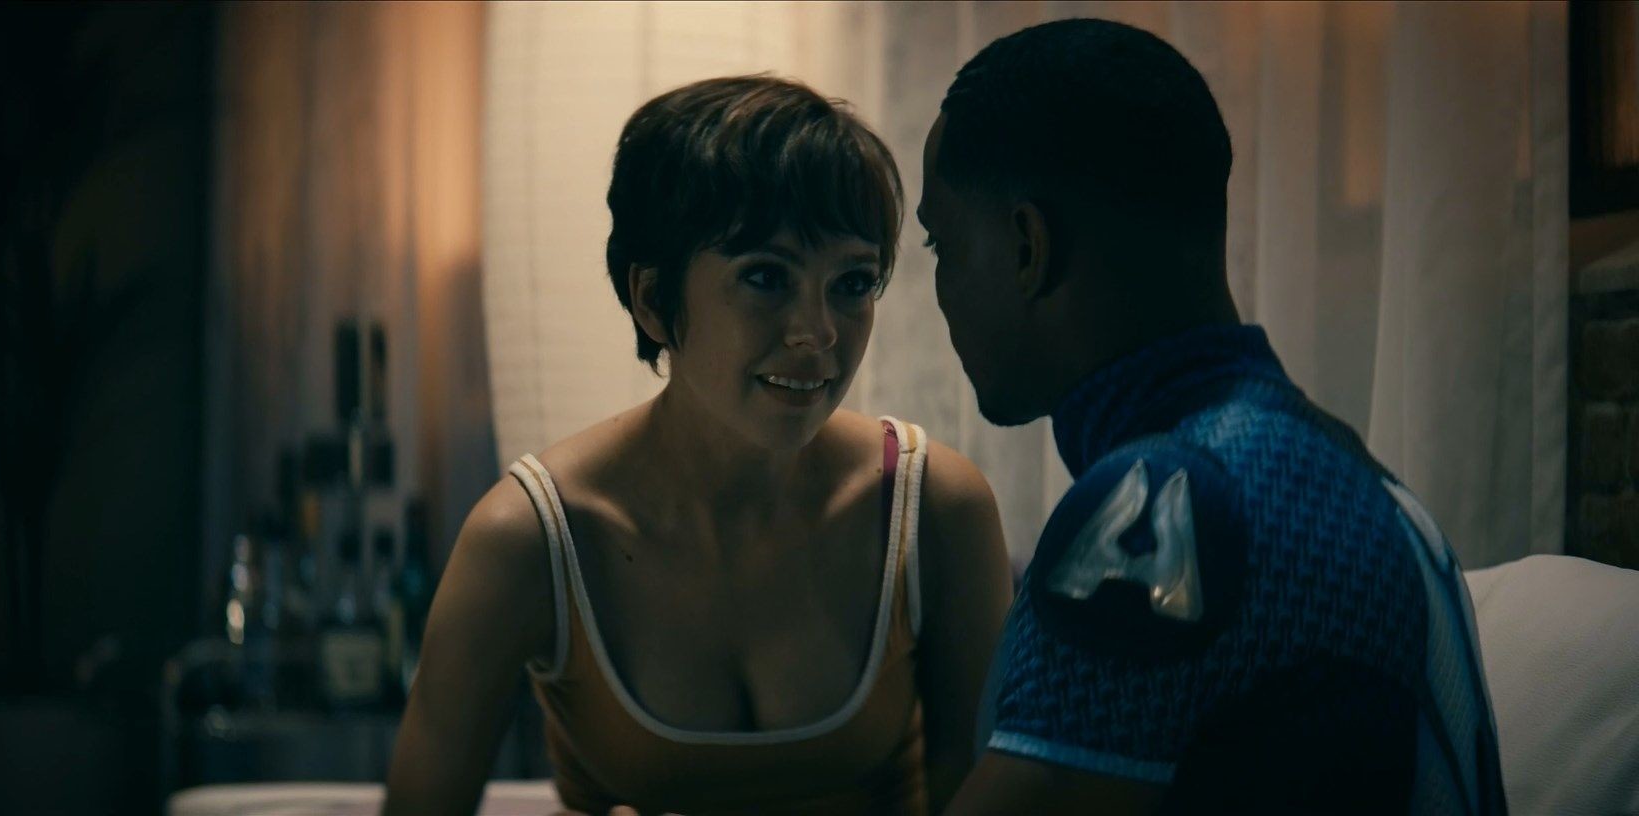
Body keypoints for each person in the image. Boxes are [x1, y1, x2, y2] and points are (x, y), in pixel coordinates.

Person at [915, 19, 1508, 816]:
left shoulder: (1165, 505)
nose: (941, 289)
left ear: (1027, 246)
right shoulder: (1354, 477)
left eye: (942, 246)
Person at [384, 75, 1013, 816]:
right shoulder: (532, 538)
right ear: (653, 299)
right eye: (766, 278)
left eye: (852, 283)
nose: (817, 333)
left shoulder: (933, 508)